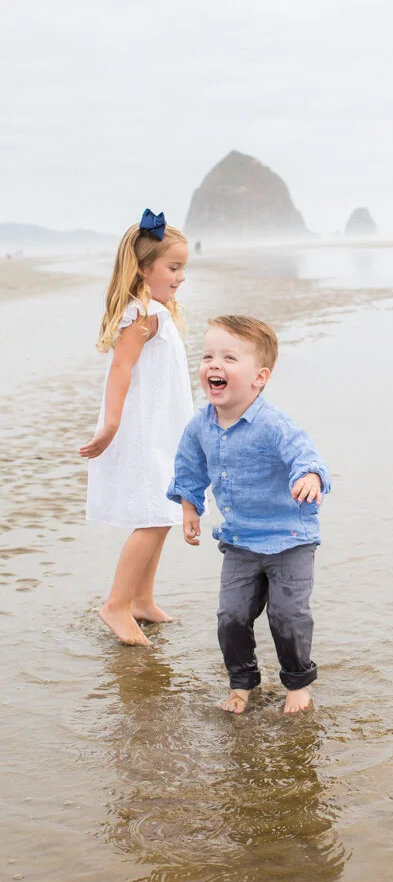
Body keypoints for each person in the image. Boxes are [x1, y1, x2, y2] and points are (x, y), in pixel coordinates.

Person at [167, 315, 330, 714]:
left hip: (290, 538)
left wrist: (309, 475)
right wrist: (190, 507)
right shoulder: (198, 427)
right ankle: (242, 683)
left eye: (229, 358)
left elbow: (304, 454)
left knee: (287, 615)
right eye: (207, 356)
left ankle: (297, 685)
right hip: (239, 541)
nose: (214, 365)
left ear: (259, 378)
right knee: (231, 616)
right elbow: (188, 470)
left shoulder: (273, 425)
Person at [79, 209, 193, 647]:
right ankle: (116, 605)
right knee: (153, 515)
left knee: (162, 513)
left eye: (183, 267)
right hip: (142, 431)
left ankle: (142, 599)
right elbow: (121, 370)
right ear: (145, 269)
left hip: (163, 430)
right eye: (174, 267)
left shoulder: (158, 311)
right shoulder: (142, 314)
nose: (181, 276)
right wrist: (110, 425)